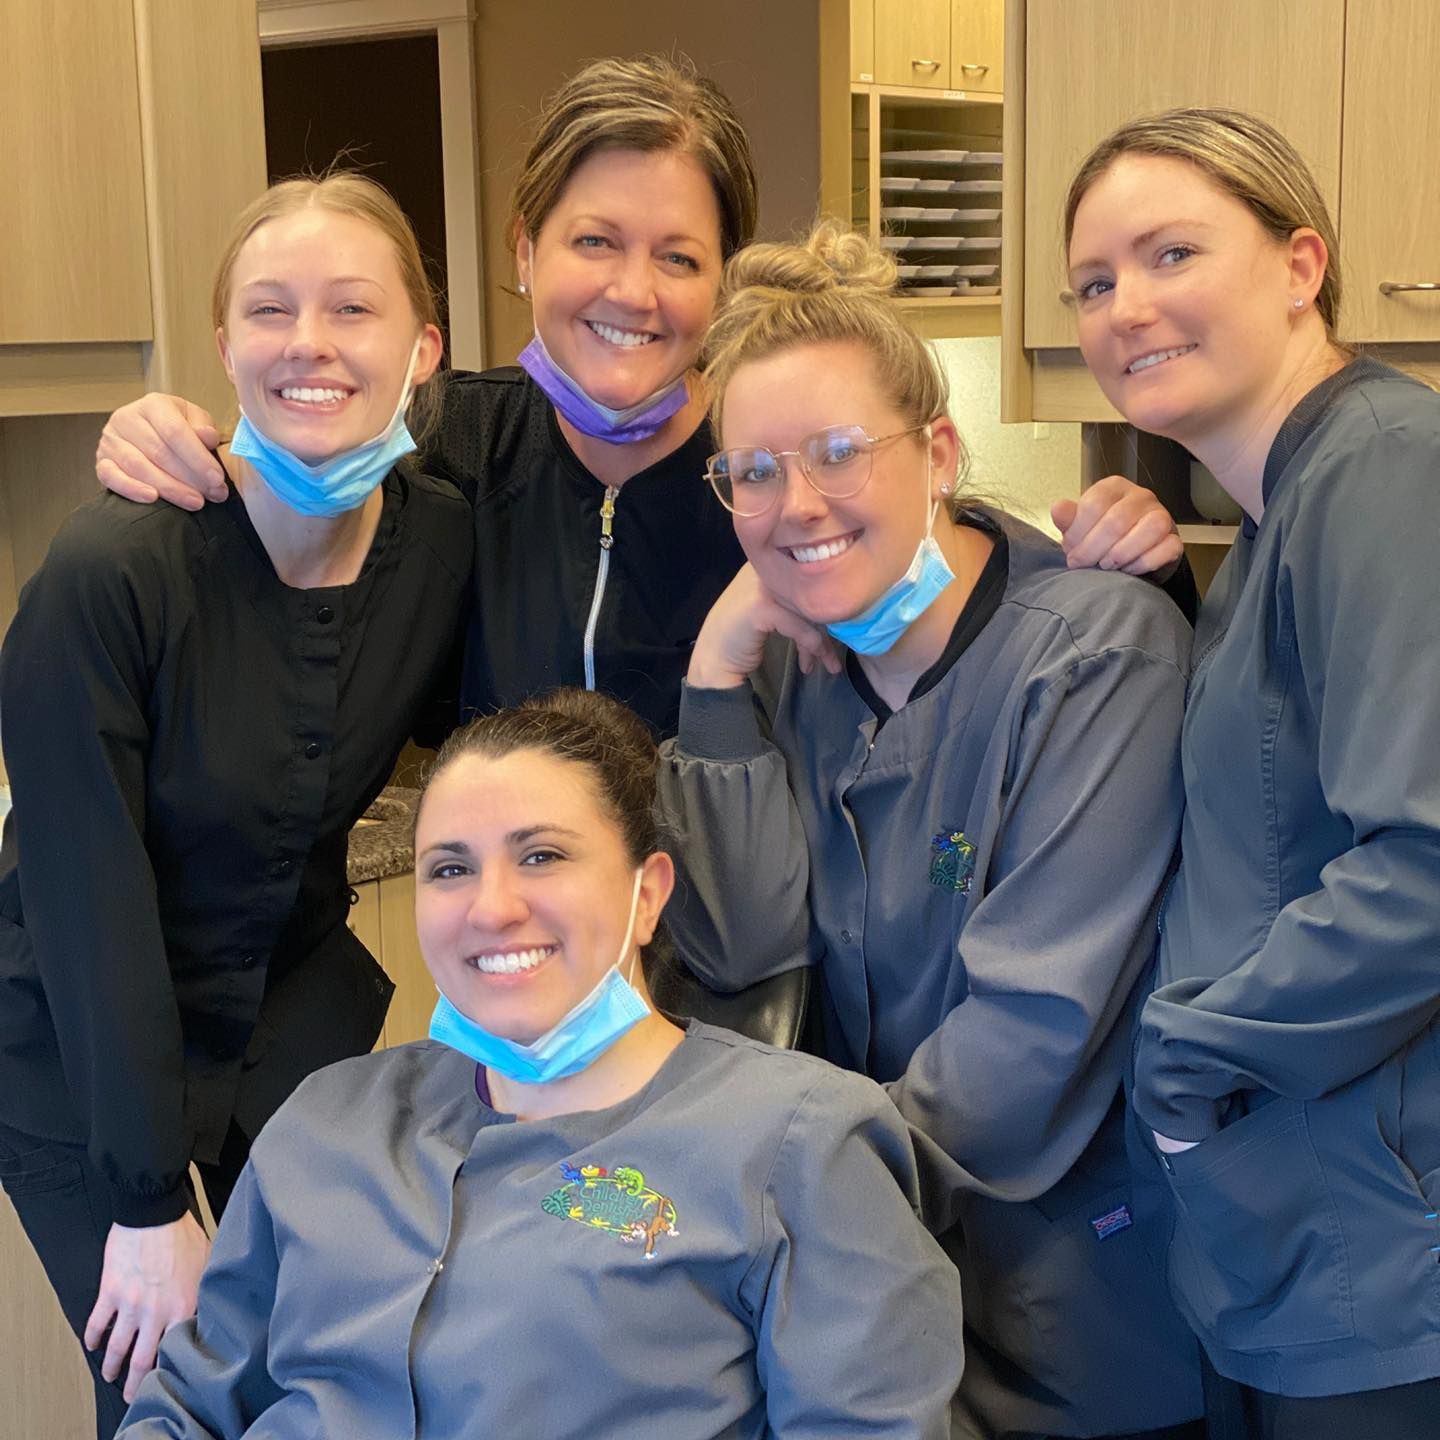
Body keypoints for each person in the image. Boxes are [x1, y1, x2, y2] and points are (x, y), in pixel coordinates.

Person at [91, 54, 1182, 739]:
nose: (632, 291)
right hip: (524, 959)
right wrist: (169, 436)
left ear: (724, 278)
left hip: (752, 969)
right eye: (594, 242)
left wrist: (1137, 569)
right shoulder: (440, 445)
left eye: (678, 257)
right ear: (526, 249)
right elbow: (280, 540)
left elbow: (963, 578)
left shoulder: (772, 474)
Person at [652, 220, 1203, 1440]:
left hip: (1069, 1323)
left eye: (837, 453)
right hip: (871, 1304)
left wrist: (788, 1200)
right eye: (752, 473)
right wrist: (715, 672)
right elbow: (747, 955)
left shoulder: (1095, 655)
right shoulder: (796, 668)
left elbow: (1031, 1038)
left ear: (940, 452)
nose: (794, 505)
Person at [116, 688, 965, 1440]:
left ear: (648, 894)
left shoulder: (803, 1147)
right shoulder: (327, 1119)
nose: (492, 907)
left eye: (542, 856)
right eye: (450, 868)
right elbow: (189, 1403)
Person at [0, 173, 471, 1437]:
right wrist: (148, 1204)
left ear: (424, 348)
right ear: (224, 347)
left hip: (285, 1015)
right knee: (170, 1381)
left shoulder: (439, 544)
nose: (309, 342)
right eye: (270, 310)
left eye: (352, 309)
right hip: (81, 1047)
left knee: (328, 1363)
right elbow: (87, 906)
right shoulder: (108, 575)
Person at [1065, 107, 1440, 1438]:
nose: (1126, 307)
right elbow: (1278, 800)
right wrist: (1164, 590)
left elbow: (1425, 866)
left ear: (1300, 265)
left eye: (1171, 254)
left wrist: (1187, 1059)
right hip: (1286, 1214)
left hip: (1375, 1236)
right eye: (1093, 283)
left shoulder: (1385, 468)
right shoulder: (1281, 508)